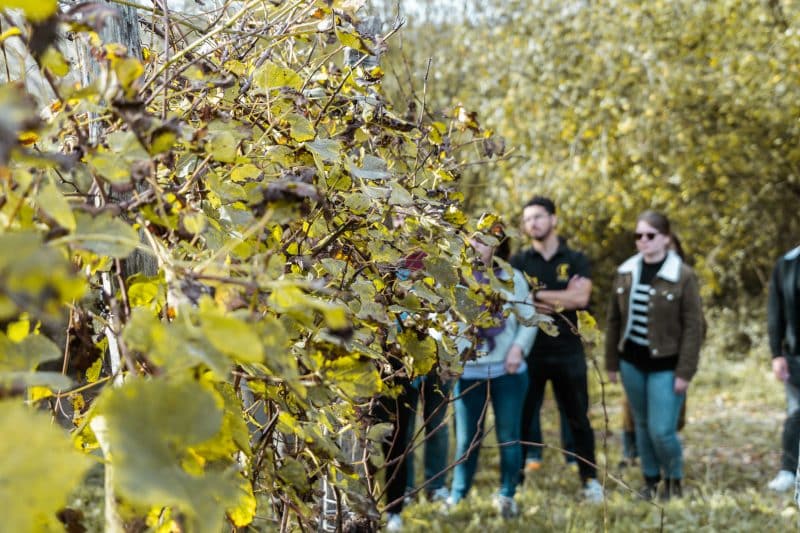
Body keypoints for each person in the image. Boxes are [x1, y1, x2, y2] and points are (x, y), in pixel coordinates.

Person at [605, 210, 704, 501]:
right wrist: (612, 362)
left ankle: (674, 480)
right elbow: (613, 320)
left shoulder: (683, 275)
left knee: (662, 430)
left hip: (667, 366)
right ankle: (650, 480)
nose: (643, 241)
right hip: (632, 363)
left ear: (666, 238)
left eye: (650, 235)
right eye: (639, 236)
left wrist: (685, 371)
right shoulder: (626, 271)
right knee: (642, 424)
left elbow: (693, 327)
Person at [510, 196, 603, 502]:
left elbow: (580, 299)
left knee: (578, 417)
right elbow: (516, 302)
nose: (531, 223)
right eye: (527, 219)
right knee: (523, 417)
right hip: (530, 350)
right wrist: (561, 295)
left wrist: (536, 295)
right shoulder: (519, 262)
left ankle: (590, 480)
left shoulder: (574, 258)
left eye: (537, 217)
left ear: (553, 220)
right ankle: (516, 482)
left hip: (568, 351)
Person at [447, 221, 537, 518]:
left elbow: (529, 317)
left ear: (497, 246)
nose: (477, 247)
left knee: (509, 435)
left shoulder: (514, 279)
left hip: (507, 373)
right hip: (469, 372)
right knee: (466, 439)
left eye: (484, 242)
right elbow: (446, 323)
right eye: (473, 241)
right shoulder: (457, 279)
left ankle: (507, 495)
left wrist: (517, 349)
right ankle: (458, 495)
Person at [767, 245, 800, 493]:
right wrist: (777, 353)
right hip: (795, 355)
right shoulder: (788, 263)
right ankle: (788, 470)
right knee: (796, 412)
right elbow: (775, 311)